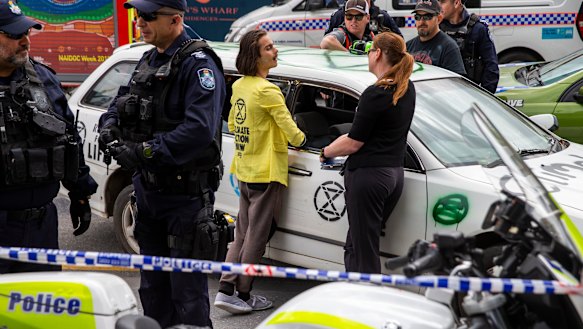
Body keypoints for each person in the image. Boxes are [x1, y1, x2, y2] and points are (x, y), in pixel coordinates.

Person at [98, 0, 225, 327]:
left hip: (184, 198)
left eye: (149, 16)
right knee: (153, 289)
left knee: (187, 295)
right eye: (138, 15)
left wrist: (142, 153)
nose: (140, 21)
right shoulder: (148, 59)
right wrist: (109, 127)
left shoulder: (198, 64)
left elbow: (199, 130)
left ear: (176, 20)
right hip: (149, 193)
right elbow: (118, 102)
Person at [0, 0, 97, 273]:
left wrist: (81, 193)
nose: (25, 41)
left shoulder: (42, 80)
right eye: (14, 34)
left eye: (27, 33)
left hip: (41, 227)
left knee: (41, 311)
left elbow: (67, 137)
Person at [214, 29, 305, 314]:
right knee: (256, 237)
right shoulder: (268, 90)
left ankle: (226, 288)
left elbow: (233, 119)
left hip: (245, 168)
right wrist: (304, 140)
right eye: (268, 48)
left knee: (241, 232)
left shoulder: (240, 85)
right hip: (266, 172)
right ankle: (241, 292)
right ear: (255, 57)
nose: (275, 51)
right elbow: (290, 129)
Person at [320, 32, 416, 274]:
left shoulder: (375, 93)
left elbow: (354, 142)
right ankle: (356, 295)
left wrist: (326, 151)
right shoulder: (406, 87)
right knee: (358, 242)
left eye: (371, 49)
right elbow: (364, 133)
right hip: (394, 174)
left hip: (369, 176)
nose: (369, 54)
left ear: (378, 54)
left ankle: (366, 302)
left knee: (363, 249)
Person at [439, 0, 499, 93]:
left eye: (442, 2)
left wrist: (484, 97)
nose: (438, 6)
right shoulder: (437, 27)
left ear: (456, 3)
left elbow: (491, 66)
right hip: (442, 93)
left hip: (468, 93)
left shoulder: (478, 29)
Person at [406, 0, 466, 76]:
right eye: (417, 17)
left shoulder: (449, 47)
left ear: (439, 19)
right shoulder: (408, 46)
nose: (421, 22)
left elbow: (455, 83)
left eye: (427, 17)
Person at [324, 0, 402, 38]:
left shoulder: (381, 16)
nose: (353, 20)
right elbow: (326, 43)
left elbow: (399, 41)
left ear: (368, 17)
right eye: (349, 17)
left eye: (359, 17)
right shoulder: (339, 16)